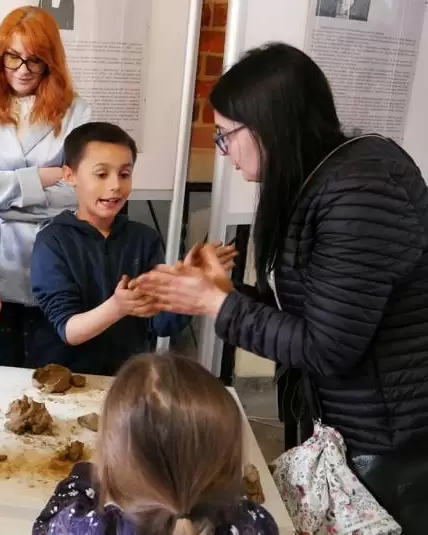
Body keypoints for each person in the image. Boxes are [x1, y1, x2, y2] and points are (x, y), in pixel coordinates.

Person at [133, 42, 428, 533]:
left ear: (269, 124)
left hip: (388, 441)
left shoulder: (360, 192)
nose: (223, 151)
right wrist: (224, 292)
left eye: (226, 135)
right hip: (346, 423)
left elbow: (327, 347)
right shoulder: (317, 180)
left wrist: (217, 303)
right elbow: (307, 314)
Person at [33, 352, 280, 535]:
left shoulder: (90, 529)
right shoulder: (255, 523)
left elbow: (45, 525)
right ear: (229, 470)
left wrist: (85, 475)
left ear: (114, 478)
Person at [0, 5, 91, 367]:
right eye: (14, 57)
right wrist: (42, 177)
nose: (23, 70)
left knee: (53, 369)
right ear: (0, 55)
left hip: (53, 255)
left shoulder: (75, 111)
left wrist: (2, 198)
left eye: (35, 60)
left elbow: (77, 190)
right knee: (1, 368)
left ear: (50, 62)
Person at [29, 122, 190, 375]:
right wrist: (118, 306)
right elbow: (69, 330)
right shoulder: (52, 241)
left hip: (127, 378)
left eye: (124, 174)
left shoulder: (144, 238)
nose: (115, 185)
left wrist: (188, 292)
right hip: (65, 379)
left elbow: (160, 324)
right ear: (70, 175)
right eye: (101, 174)